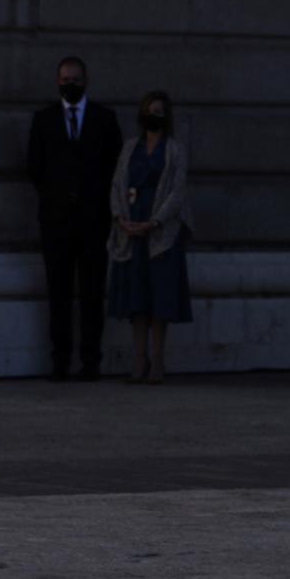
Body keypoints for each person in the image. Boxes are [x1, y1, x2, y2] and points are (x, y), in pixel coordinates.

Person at [27, 57, 122, 381]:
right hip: (56, 222)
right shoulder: (44, 120)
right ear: (57, 81)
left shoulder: (104, 119)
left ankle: (91, 360)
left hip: (94, 221)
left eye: (76, 79)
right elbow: (35, 167)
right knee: (59, 294)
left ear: (86, 80)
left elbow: (114, 166)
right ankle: (60, 360)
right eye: (65, 79)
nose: (70, 84)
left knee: (93, 293)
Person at [105, 91, 191, 384]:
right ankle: (139, 358)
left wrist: (155, 222)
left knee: (159, 297)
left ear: (166, 116)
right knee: (137, 298)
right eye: (149, 110)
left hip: (160, 232)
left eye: (159, 111)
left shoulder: (175, 150)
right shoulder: (130, 148)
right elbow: (117, 184)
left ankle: (158, 358)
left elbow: (177, 192)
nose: (154, 115)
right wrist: (121, 218)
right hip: (131, 228)